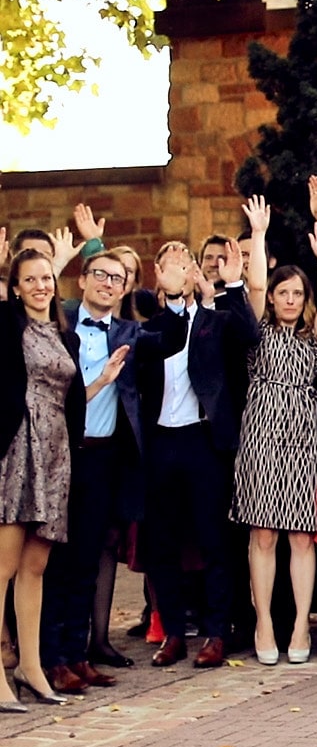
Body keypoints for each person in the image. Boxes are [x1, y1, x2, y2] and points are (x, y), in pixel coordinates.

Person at [135, 240, 260, 669]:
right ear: (157, 273)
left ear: (193, 272)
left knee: (214, 539)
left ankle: (216, 632)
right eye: (168, 261)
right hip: (160, 443)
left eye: (184, 260)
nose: (178, 266)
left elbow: (250, 336)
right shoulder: (149, 326)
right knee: (162, 541)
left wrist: (234, 286)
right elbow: (161, 345)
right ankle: (173, 632)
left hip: (203, 441)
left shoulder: (214, 320)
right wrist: (171, 299)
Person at [229, 198, 317, 666]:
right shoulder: (258, 333)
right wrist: (258, 234)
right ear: (273, 298)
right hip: (260, 434)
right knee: (263, 534)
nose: (290, 299)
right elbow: (254, 283)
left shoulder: (314, 341)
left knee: (300, 535)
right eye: (283, 292)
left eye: (297, 293)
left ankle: (298, 626)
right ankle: (265, 623)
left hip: (302, 437)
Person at [39, 250, 143, 693]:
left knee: (87, 560)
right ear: (81, 280)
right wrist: (100, 380)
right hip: (61, 455)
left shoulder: (130, 333)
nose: (108, 283)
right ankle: (50, 659)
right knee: (56, 562)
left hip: (103, 458)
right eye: (100, 274)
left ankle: (77, 654)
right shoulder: (59, 326)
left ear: (124, 289)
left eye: (117, 278)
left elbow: (175, 337)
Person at [0, 249, 91, 709]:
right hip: (17, 450)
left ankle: (32, 668)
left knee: (35, 568)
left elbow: (75, 400)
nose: (40, 286)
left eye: (46, 278)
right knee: (3, 568)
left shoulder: (65, 335)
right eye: (30, 279)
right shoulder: (6, 326)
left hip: (56, 453)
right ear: (15, 288)